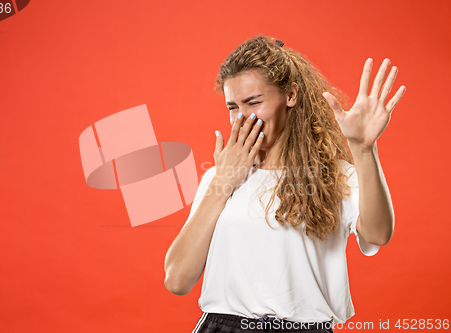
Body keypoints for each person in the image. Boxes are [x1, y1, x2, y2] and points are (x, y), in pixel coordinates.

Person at [164, 34, 405, 333]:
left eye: (254, 102)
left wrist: (363, 148)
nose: (242, 118)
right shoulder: (219, 177)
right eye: (232, 107)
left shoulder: (337, 176)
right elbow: (177, 279)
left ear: (290, 95)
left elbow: (378, 233)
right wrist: (223, 183)